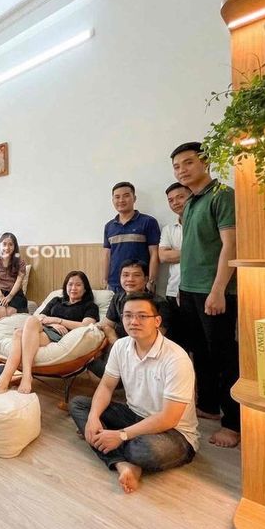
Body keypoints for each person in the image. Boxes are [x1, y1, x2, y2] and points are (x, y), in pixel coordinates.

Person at [69, 294, 199, 494]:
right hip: (133, 415)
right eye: (128, 315)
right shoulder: (121, 346)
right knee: (79, 405)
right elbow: (106, 387)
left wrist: (121, 435)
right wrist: (94, 417)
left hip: (174, 432)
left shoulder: (176, 359)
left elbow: (169, 418)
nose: (134, 321)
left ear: (157, 321)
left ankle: (114, 447)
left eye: (142, 316)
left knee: (142, 450)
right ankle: (122, 464)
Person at [171, 141, 239, 448]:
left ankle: (233, 423)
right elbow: (192, 249)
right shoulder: (190, 203)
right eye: (177, 166)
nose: (182, 170)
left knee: (223, 357)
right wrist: (183, 289)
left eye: (188, 163)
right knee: (199, 353)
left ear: (205, 162)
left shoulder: (222, 195)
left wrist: (218, 290)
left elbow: (230, 245)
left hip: (214, 291)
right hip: (189, 290)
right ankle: (209, 406)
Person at [0, 271, 100, 395]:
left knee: (19, 334)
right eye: (70, 284)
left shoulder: (90, 306)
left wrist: (58, 321)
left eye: (78, 285)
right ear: (65, 286)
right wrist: (52, 323)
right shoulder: (56, 300)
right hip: (44, 327)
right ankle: (23, 376)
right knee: (27, 324)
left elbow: (86, 325)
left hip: (60, 334)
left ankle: (8, 379)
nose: (73, 288)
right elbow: (39, 317)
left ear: (85, 288)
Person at [102, 182, 161, 293]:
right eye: (117, 197)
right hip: (115, 284)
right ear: (112, 200)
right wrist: (105, 280)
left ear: (134, 198)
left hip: (140, 284)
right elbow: (107, 256)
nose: (121, 200)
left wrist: (151, 281)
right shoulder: (109, 226)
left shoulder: (148, 222)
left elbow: (154, 254)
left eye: (126, 196)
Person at [159, 183, 191, 347]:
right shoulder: (169, 229)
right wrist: (194, 252)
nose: (175, 203)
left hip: (199, 290)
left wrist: (176, 253)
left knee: (202, 341)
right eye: (171, 200)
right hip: (173, 290)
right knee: (178, 342)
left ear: (191, 196)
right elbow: (163, 256)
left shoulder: (202, 223)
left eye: (180, 197)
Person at [0, 232, 28, 321]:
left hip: (15, 294)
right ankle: (1, 330)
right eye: (4, 244)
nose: (7, 247)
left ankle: (5, 330)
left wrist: (10, 296)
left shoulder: (20, 262)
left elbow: (19, 282)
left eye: (10, 244)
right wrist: (0, 296)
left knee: (10, 311)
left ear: (15, 247)